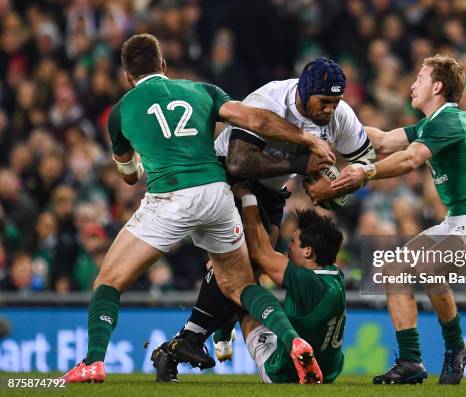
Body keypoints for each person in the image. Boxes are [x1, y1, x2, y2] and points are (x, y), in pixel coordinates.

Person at [61, 33, 335, 384]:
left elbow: (128, 175)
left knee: (109, 282)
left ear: (127, 75)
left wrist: (141, 161)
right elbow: (253, 119)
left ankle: (93, 362)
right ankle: (293, 340)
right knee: (240, 285)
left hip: (170, 198)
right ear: (163, 65)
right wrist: (305, 138)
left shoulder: (120, 111)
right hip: (217, 193)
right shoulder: (202, 90)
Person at [151, 57, 375, 381]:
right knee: (243, 264)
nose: (330, 109)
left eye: (336, 102)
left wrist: (349, 179)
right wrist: (301, 164)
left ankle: (185, 342)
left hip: (272, 189)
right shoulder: (267, 101)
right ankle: (194, 338)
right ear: (305, 90)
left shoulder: (339, 115)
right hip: (226, 175)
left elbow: (365, 158)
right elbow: (240, 162)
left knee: (254, 269)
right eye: (324, 102)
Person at [331, 54, 466, 385]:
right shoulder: (432, 123)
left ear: (438, 86)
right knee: (394, 271)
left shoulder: (450, 120)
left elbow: (411, 159)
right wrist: (335, 128)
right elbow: (383, 141)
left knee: (423, 268)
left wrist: (365, 172)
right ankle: (424, 358)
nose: (412, 84)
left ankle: (442, 351)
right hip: (459, 221)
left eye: (420, 78)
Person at [232, 184, 346, 383]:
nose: (287, 247)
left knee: (241, 287)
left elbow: (260, 252)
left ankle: (221, 335)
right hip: (329, 371)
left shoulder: (307, 282)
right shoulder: (336, 276)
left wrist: (248, 198)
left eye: (292, 242)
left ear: (308, 251)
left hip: (286, 373)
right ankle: (223, 335)